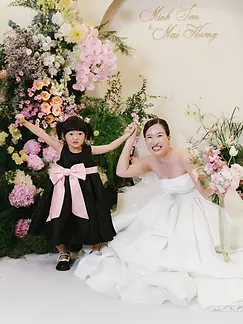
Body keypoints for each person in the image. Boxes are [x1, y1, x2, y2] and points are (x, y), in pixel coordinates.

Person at [75, 118, 243, 311]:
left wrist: (221, 186)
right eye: (149, 137)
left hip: (192, 205)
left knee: (191, 249)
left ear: (169, 138)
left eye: (159, 135)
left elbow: (204, 191)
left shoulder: (184, 157)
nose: (154, 141)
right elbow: (122, 171)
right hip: (167, 204)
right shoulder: (150, 161)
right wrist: (129, 141)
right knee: (143, 244)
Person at [15, 114, 136, 271]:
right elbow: (42, 134)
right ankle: (63, 253)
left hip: (88, 190)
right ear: (64, 136)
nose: (75, 137)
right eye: (71, 133)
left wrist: (126, 135)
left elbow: (111, 146)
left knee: (94, 216)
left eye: (80, 133)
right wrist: (24, 122)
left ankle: (96, 249)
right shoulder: (61, 148)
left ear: (86, 135)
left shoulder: (89, 150)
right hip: (63, 189)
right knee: (59, 217)